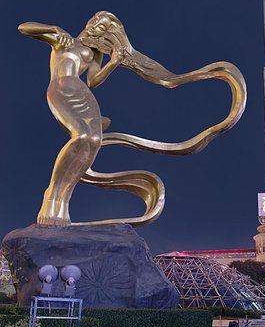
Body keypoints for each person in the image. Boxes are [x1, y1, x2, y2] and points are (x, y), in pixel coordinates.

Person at [19, 12, 247, 227]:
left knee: (94, 141)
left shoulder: (95, 54)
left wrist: (114, 61)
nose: (96, 29)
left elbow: (93, 81)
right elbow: (24, 27)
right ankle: (51, 196)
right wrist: (54, 29)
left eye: (102, 28)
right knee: (83, 136)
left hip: (82, 92)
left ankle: (62, 204)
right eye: (95, 23)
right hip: (61, 88)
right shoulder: (63, 39)